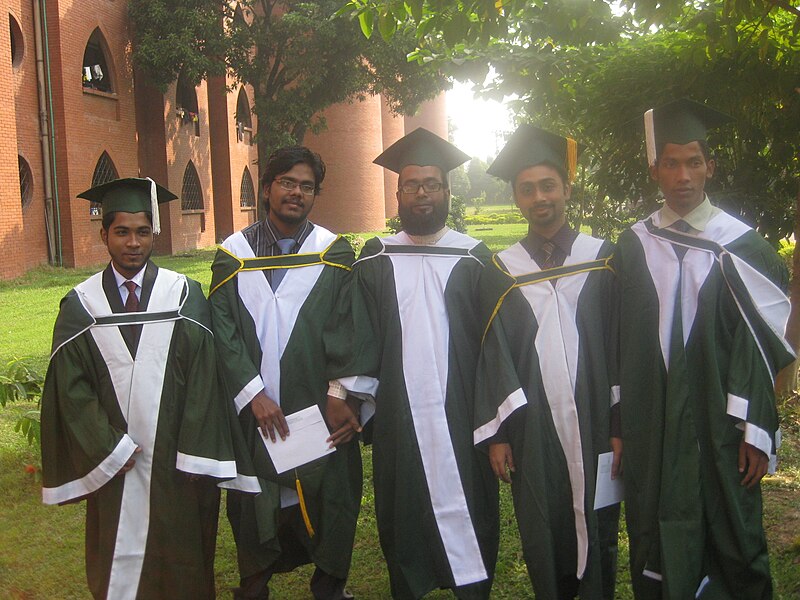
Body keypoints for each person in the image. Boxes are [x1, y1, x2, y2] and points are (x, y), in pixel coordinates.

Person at [40, 177, 253, 600]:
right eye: (122, 232)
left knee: (185, 559)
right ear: (104, 235)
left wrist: (194, 451)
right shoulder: (81, 306)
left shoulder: (184, 296)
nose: (133, 243)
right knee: (116, 555)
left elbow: (205, 380)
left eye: (142, 231)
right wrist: (107, 448)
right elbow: (71, 391)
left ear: (153, 231)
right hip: (116, 464)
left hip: (178, 462)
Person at [615, 99, 794, 599]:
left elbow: (760, 347)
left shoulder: (742, 247)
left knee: (734, 533)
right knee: (656, 525)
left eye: (694, 161)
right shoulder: (632, 246)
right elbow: (619, 340)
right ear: (655, 170)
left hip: (721, 426)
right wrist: (620, 423)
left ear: (710, 166)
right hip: (655, 424)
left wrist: (756, 429)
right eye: (670, 163)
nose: (683, 175)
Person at [324, 127, 499, 600]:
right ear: (398, 192)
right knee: (402, 507)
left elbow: (495, 344)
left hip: (462, 411)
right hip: (399, 414)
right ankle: (411, 584)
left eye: (433, 184)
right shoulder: (377, 256)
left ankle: (472, 587)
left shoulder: (476, 258)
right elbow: (359, 332)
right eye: (412, 185)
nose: (422, 193)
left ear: (446, 190)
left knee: (471, 498)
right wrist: (342, 393)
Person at [473, 125, 621, 600]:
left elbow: (623, 347)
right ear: (517, 198)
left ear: (567, 190)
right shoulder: (502, 270)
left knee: (599, 516)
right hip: (531, 427)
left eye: (548, 186)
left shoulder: (602, 260)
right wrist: (496, 434)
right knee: (541, 518)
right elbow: (491, 355)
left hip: (598, 418)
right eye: (527, 189)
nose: (540, 197)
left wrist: (621, 421)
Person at [209, 146, 361, 600]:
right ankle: (254, 587)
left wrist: (340, 392)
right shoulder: (233, 255)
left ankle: (329, 587)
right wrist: (252, 393)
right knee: (253, 501)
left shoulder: (332, 252)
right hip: (256, 412)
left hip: (318, 407)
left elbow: (349, 325)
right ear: (267, 187)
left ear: (315, 194)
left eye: (307, 186)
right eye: (287, 182)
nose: (297, 192)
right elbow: (223, 330)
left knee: (330, 495)